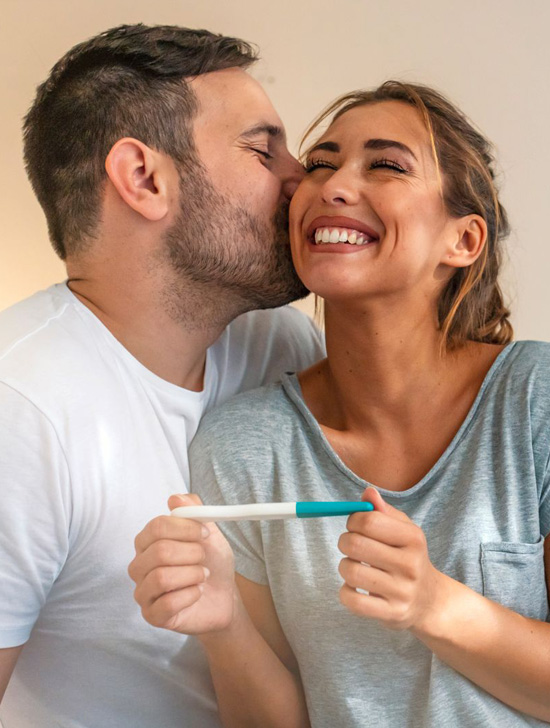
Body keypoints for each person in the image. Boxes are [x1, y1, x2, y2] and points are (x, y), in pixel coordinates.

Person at [130, 81, 550, 727]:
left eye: (385, 165)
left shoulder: (535, 401)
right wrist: (223, 625)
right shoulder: (242, 444)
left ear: (463, 241)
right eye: (321, 163)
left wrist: (434, 604)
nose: (330, 185)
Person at [0, 23, 326, 728]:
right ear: (146, 179)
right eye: (264, 149)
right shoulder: (19, 414)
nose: (304, 178)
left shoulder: (283, 348)